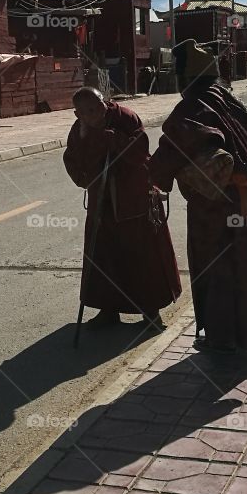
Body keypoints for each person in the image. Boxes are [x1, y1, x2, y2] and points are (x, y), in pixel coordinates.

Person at [150, 42, 247, 354]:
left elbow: (178, 144)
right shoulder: (228, 100)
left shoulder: (193, 105)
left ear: (186, 76)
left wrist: (154, 173)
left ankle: (222, 339)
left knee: (219, 269)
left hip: (220, 205)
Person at [64, 87, 181, 331]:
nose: (93, 114)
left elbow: (141, 154)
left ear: (104, 102)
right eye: (85, 112)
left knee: (142, 258)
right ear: (77, 115)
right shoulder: (80, 130)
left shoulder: (125, 118)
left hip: (135, 202)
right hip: (102, 204)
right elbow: (72, 159)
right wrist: (84, 177)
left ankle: (151, 313)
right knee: (105, 258)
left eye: (96, 107)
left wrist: (112, 139)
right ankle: (109, 311)